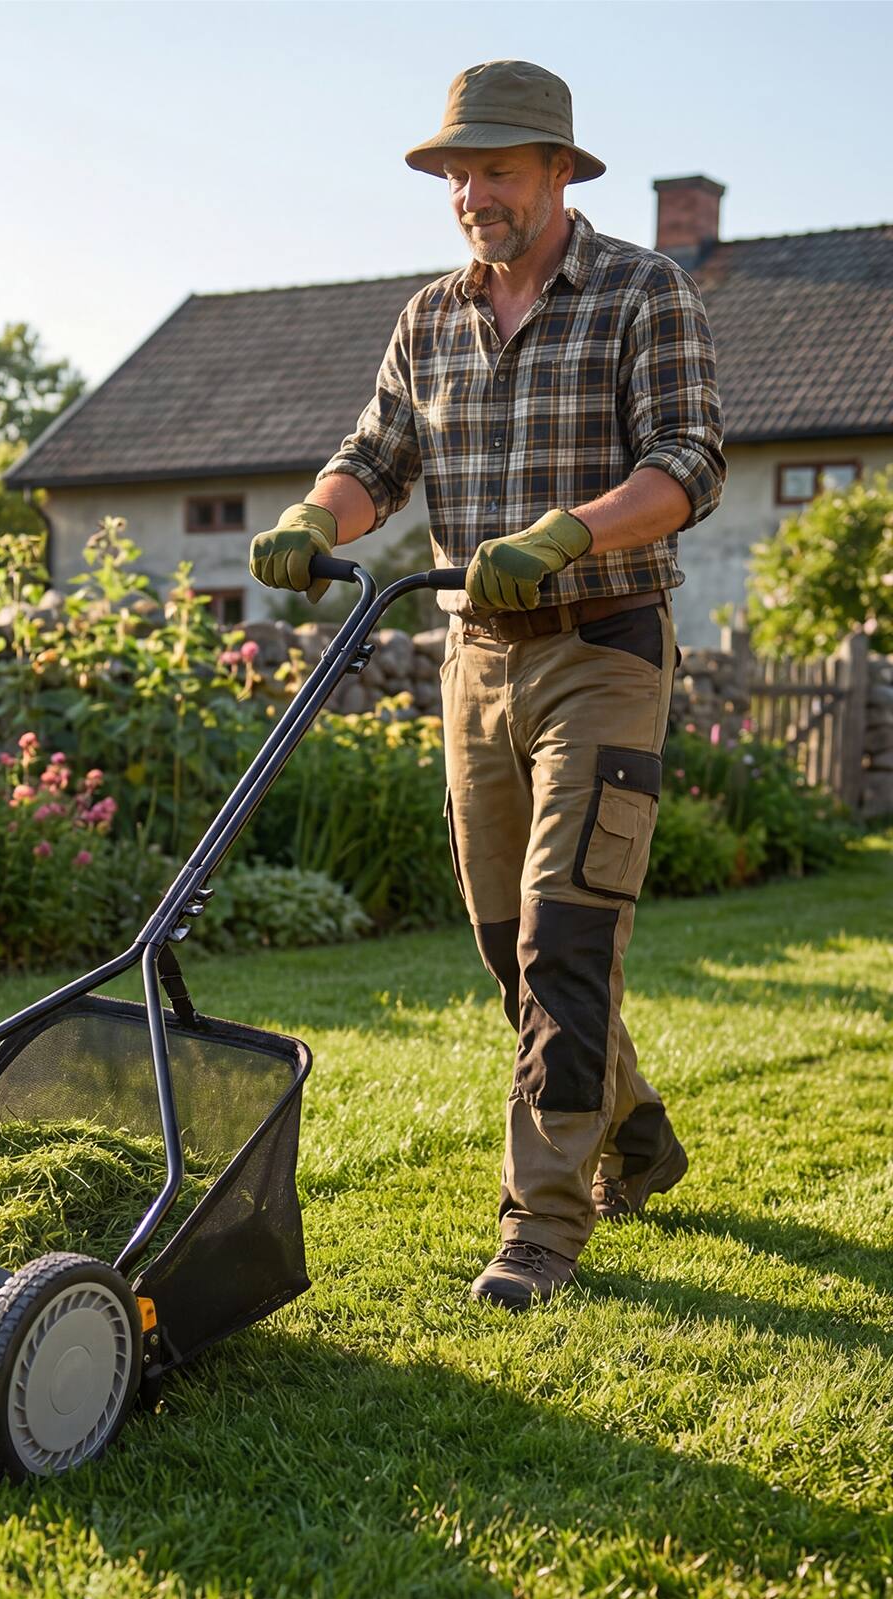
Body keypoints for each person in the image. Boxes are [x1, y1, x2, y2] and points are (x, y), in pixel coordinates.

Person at [249, 59, 725, 1309]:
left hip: (601, 646)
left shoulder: (642, 291)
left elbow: (688, 461)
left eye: (496, 170)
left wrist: (568, 534)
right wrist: (316, 515)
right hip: (475, 655)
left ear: (559, 171)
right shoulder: (430, 316)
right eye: (456, 175)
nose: (472, 195)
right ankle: (634, 1129)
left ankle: (542, 1225)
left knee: (568, 932)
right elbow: (376, 455)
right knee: (509, 948)